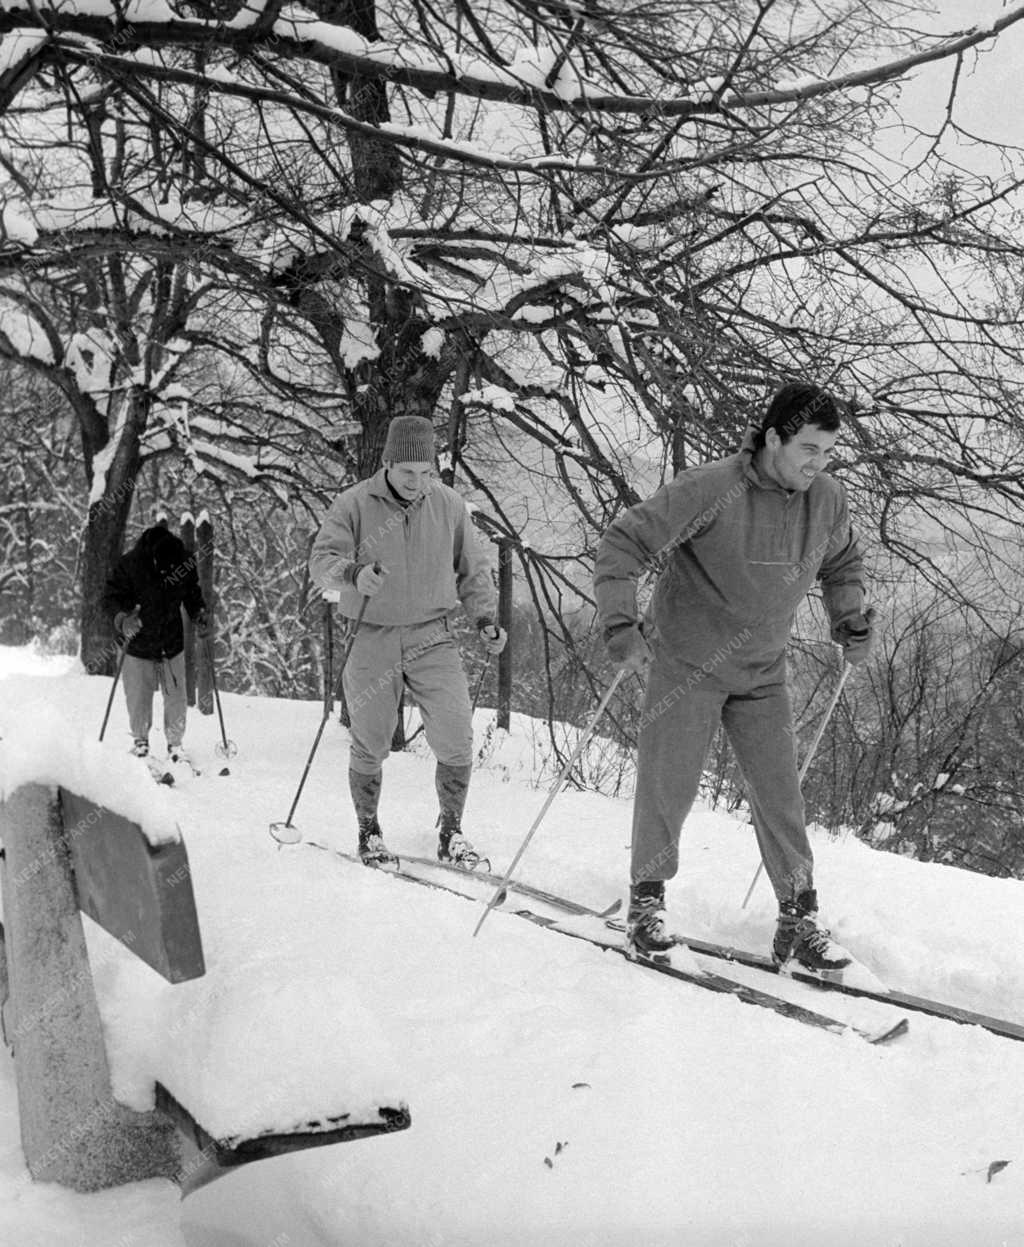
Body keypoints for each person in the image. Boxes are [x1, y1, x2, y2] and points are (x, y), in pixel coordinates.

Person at [594, 382, 875, 971]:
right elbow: (625, 541)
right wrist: (621, 626)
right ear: (773, 438)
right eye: (807, 448)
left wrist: (849, 617)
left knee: (781, 797)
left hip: (762, 670)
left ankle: (797, 921)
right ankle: (646, 908)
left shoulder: (826, 499)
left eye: (826, 452)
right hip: (686, 663)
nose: (817, 463)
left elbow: (842, 562)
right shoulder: (712, 487)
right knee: (668, 786)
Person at [309, 415, 507, 868]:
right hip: (372, 632)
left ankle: (452, 831)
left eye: (426, 472)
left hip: (432, 633)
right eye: (407, 472)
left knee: (456, 731)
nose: (418, 482)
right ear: (388, 464)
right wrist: (354, 574)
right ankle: (369, 831)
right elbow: (322, 561)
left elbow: (473, 569)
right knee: (371, 739)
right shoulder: (355, 503)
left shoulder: (449, 504)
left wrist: (484, 620)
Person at [103, 525, 209, 763]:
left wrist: (199, 613)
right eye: (162, 568)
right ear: (152, 558)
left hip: (171, 641)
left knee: (177, 696)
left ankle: (175, 745)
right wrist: (122, 619)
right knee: (138, 696)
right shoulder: (129, 565)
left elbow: (192, 592)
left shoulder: (183, 562)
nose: (167, 572)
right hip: (137, 644)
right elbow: (110, 598)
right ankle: (140, 741)